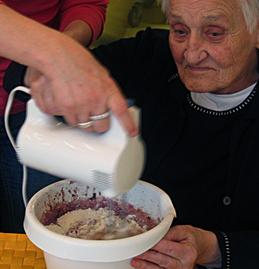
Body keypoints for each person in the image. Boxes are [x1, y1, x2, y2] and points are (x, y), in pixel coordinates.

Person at [4, 0, 259, 267]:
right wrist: (58, 68)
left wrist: (215, 249)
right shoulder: (151, 55)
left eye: (214, 33)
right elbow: (19, 75)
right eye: (180, 31)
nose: (191, 54)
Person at [0, 0, 138, 233]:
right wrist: (54, 54)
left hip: (28, 104)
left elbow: (86, 3)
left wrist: (69, 41)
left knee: (29, 225)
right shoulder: (52, 54)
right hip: (32, 73)